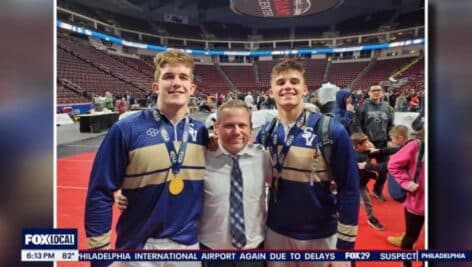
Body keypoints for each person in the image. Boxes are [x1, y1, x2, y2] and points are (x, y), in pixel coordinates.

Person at [84, 49, 208, 267]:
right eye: (168, 76)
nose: (176, 83)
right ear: (155, 86)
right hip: (137, 247)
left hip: (187, 249)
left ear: (192, 88)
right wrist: (100, 253)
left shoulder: (202, 134)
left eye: (183, 77)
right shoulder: (126, 129)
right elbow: (100, 191)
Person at [116, 100, 271, 267]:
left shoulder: (263, 158)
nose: (237, 131)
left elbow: (285, 186)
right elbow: (165, 180)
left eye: (242, 125)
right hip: (211, 254)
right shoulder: (198, 156)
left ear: (251, 127)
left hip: (254, 253)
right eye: (229, 125)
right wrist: (126, 193)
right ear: (216, 127)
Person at [257, 59, 359, 267]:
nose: (287, 86)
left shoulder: (331, 131)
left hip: (320, 235)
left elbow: (349, 188)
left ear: (304, 89)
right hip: (277, 232)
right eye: (281, 82)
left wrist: (345, 248)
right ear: (271, 92)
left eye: (294, 81)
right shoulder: (265, 133)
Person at [387, 115, 425, 267]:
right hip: (417, 202)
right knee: (410, 237)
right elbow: (392, 164)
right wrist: (407, 183)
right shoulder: (417, 145)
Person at [352, 84, 394, 202]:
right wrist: (365, 141)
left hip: (382, 144)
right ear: (369, 93)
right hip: (366, 145)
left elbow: (391, 125)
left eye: (378, 90)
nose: (376, 92)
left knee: (384, 169)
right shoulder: (363, 106)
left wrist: (390, 139)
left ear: (382, 92)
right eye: (373, 90)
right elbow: (357, 125)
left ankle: (377, 189)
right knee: (363, 170)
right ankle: (362, 188)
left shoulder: (387, 107)